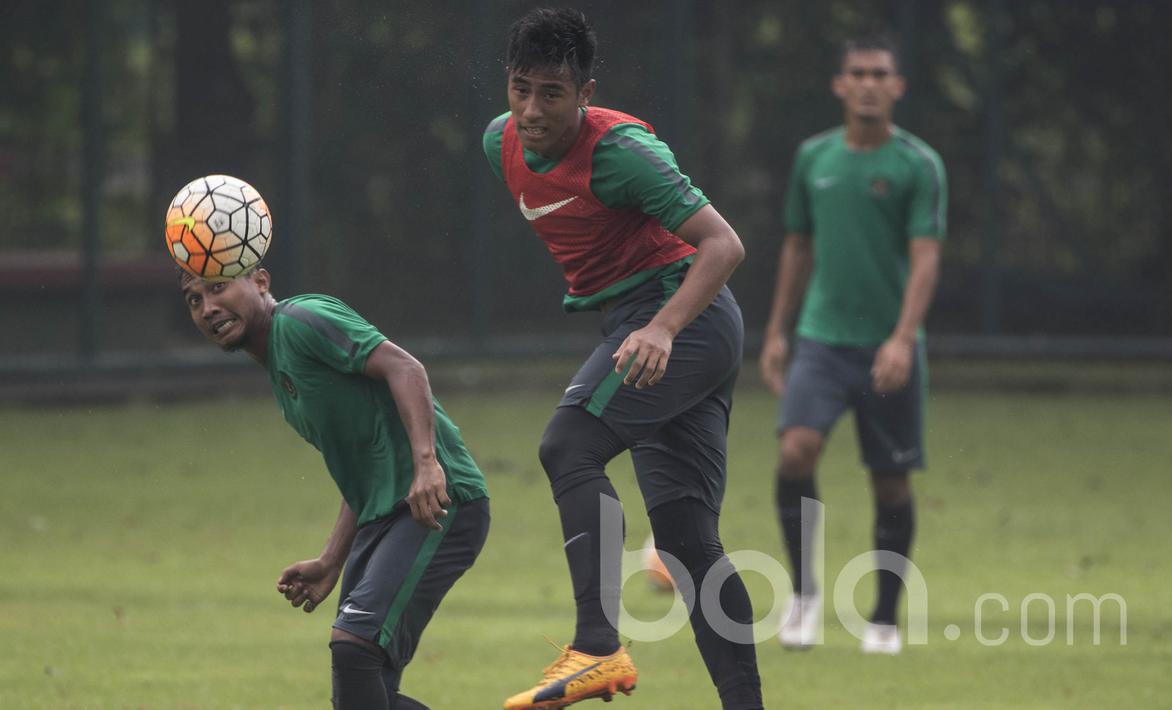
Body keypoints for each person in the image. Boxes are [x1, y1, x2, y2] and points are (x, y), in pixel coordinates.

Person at [482, 8, 762, 710]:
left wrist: (663, 329)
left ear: (585, 92)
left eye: (552, 93)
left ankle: (597, 647)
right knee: (687, 540)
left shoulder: (623, 153)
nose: (532, 108)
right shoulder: (500, 143)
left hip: (681, 319)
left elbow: (723, 245)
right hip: (645, 323)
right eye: (520, 88)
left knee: (567, 445)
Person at [178, 264, 490, 709]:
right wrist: (331, 560)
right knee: (361, 694)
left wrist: (427, 464)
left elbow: (406, 368)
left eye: (218, 288)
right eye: (195, 300)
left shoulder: (302, 319)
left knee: (353, 647)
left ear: (261, 282)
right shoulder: (280, 374)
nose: (209, 308)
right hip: (380, 517)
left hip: (437, 502)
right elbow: (358, 466)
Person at [760, 35, 947, 654]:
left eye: (880, 74)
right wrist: (776, 331)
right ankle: (805, 597)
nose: (868, 83)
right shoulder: (814, 158)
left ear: (898, 87)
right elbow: (797, 246)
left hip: (888, 349)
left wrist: (902, 339)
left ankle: (885, 618)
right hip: (820, 340)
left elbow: (925, 259)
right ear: (839, 84)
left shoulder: (919, 166)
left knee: (890, 482)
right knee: (795, 453)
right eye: (858, 73)